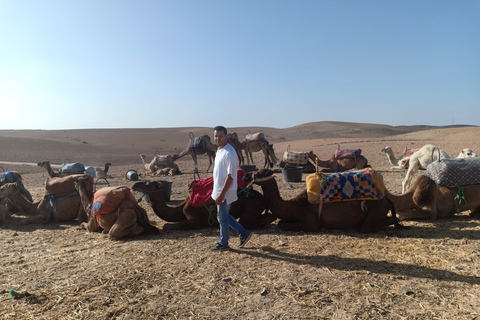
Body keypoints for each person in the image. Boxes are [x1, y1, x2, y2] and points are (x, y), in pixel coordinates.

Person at [210, 125, 253, 252]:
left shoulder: (230, 153)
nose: (218, 138)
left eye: (221, 136)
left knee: (222, 218)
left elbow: (230, 176)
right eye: (216, 136)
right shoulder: (219, 151)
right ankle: (243, 233)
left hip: (225, 192)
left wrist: (222, 194)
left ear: (226, 136)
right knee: (223, 216)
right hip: (219, 190)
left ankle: (224, 243)